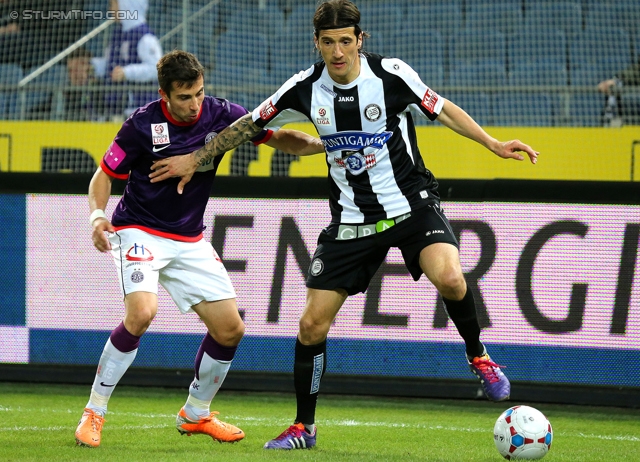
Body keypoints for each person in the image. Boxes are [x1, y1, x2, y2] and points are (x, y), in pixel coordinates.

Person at [148, 0, 539, 450]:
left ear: (360, 40)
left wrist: (492, 144)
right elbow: (247, 125)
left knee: (449, 276)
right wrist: (196, 160)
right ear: (317, 42)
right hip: (352, 218)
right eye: (328, 42)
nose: (338, 52)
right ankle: (304, 428)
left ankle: (478, 354)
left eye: (346, 42)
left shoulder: (391, 73)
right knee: (312, 325)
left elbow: (443, 108)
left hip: (410, 203)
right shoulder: (303, 87)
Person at [74, 49, 324, 448]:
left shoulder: (223, 115)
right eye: (184, 97)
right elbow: (103, 176)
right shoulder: (140, 125)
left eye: (199, 94)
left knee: (230, 329)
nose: (194, 105)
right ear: (164, 95)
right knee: (142, 313)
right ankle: (94, 412)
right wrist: (97, 217)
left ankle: (195, 414)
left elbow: (278, 139)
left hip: (189, 237)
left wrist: (324, 145)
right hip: (139, 230)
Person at [91, 0, 162, 119]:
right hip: (121, 109)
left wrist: (127, 72)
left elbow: (156, 68)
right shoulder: (117, 34)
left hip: (145, 111)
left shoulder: (144, 36)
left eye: (114, 4)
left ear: (127, 5)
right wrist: (93, 66)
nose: (111, 10)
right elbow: (111, 63)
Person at [598, 58, 640, 126]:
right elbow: (624, 76)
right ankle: (610, 120)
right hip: (622, 117)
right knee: (612, 88)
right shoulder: (634, 71)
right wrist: (613, 81)